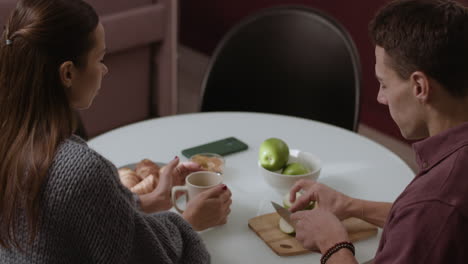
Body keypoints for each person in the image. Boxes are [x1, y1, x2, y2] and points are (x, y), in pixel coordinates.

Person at [0, 0, 231, 263]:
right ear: (67, 73)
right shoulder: (78, 171)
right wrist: (191, 221)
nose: (104, 69)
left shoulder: (11, 141)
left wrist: (151, 201)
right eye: (99, 58)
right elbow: (149, 258)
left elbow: (71, 220)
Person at [288, 0, 468, 263]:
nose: (380, 97)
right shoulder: (435, 206)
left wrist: (332, 243)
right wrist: (351, 206)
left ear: (419, 86)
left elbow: (428, 216)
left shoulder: (435, 202)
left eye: (384, 84)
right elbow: (422, 226)